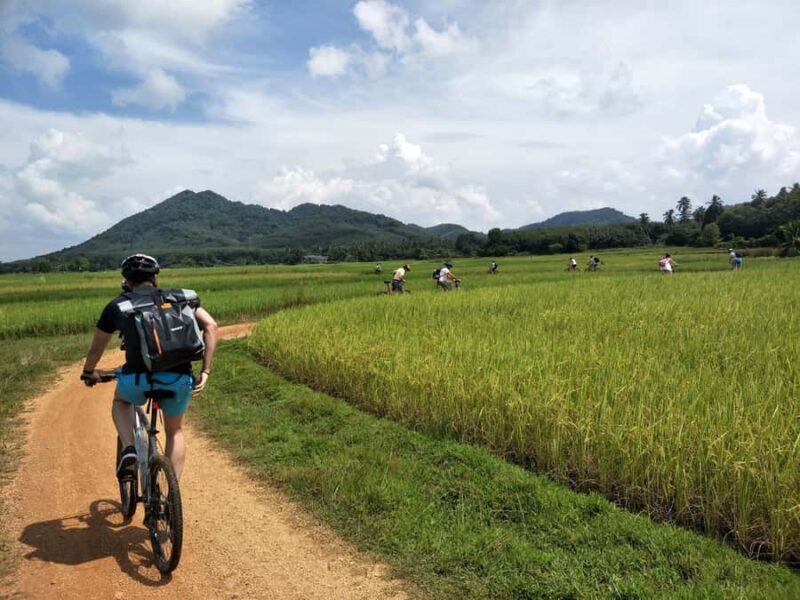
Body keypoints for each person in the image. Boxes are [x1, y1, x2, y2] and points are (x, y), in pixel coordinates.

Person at [80, 254, 218, 481]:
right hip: (179, 379)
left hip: (137, 379)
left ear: (126, 280)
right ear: (154, 277)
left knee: (121, 402)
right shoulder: (181, 298)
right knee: (175, 431)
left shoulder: (117, 306)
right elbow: (211, 327)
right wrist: (205, 370)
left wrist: (89, 372)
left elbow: (96, 349)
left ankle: (129, 448)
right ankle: (169, 491)